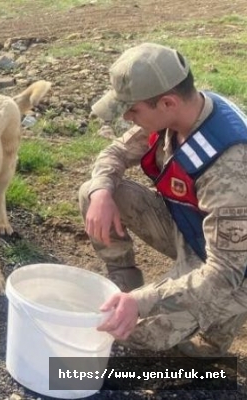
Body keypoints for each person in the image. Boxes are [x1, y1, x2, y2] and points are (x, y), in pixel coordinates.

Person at [79, 42, 247, 357]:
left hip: (234, 267)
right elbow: (115, 152)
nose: (127, 118)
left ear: (167, 102)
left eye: (132, 110)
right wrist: (101, 190)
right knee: (95, 191)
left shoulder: (231, 168)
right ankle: (124, 286)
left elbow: (226, 272)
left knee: (135, 336)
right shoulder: (181, 111)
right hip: (191, 228)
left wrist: (143, 303)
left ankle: (213, 341)